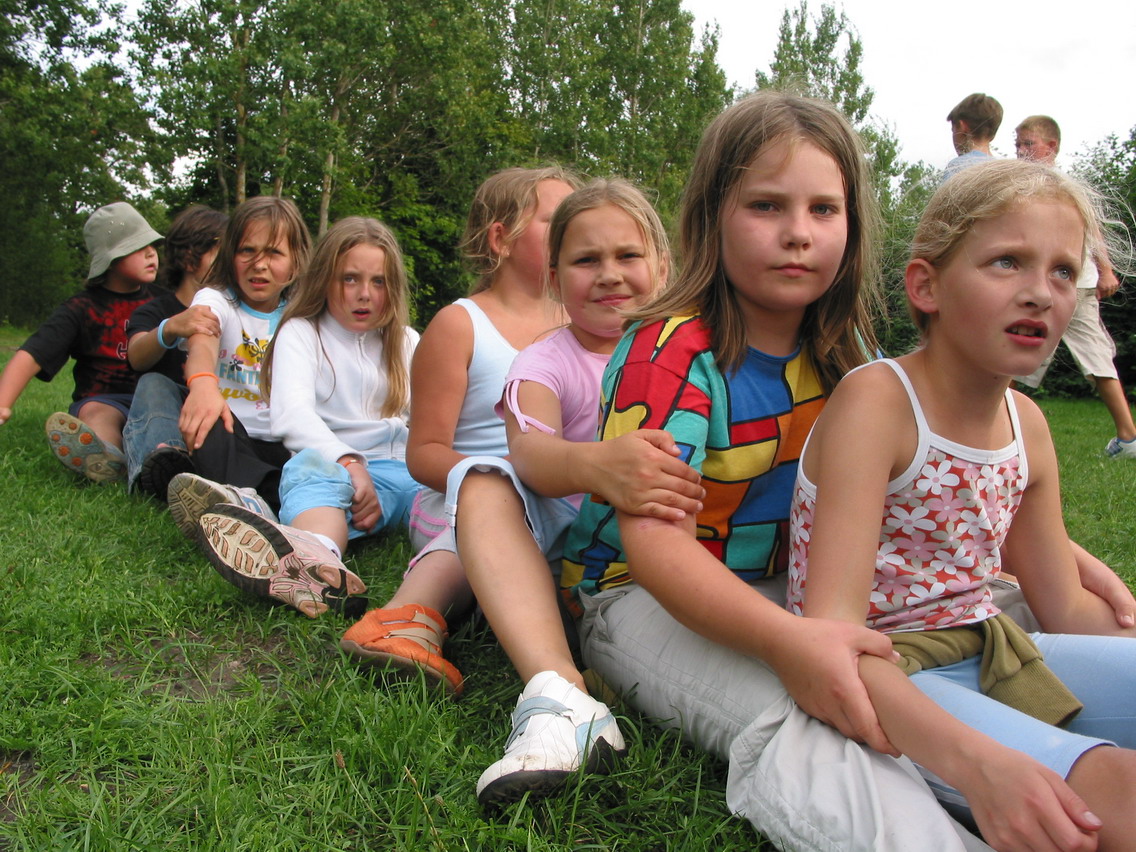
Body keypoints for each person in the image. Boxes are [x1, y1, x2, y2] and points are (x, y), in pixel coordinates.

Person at [560, 92, 994, 851]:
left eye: (824, 209)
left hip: (793, 586)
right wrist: (791, 645)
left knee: (942, 651)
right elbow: (656, 550)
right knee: (801, 714)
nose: (798, 233)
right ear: (712, 216)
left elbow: (915, 484)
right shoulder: (668, 349)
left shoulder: (849, 352)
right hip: (637, 597)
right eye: (766, 205)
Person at [787, 159, 1136, 851]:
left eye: (1063, 272)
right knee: (1115, 790)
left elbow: (1064, 607)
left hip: (997, 649)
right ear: (927, 286)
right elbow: (834, 642)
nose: (1040, 293)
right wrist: (978, 764)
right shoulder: (879, 403)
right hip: (896, 676)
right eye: (1007, 262)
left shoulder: (1027, 424)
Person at [449, 179, 704, 805]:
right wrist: (599, 466)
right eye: (586, 260)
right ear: (555, 279)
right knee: (482, 480)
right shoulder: (544, 360)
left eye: (628, 256)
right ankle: (559, 689)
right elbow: (531, 454)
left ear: (663, 265)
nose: (609, 274)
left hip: (679, 547)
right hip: (569, 553)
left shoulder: (698, 347)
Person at [338, 167, 578, 696]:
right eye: (557, 220)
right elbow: (423, 453)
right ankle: (405, 617)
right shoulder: (461, 324)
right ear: (501, 238)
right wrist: (504, 474)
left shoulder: (581, 325)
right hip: (459, 497)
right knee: (490, 505)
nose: (575, 231)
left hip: (559, 491)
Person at [193, 217, 421, 619]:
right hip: (335, 470)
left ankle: (263, 515)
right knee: (309, 472)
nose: (364, 294)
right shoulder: (301, 333)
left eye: (379, 282)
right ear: (324, 280)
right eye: (350, 279)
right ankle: (317, 563)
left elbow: (429, 420)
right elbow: (293, 415)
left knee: (458, 495)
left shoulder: (406, 341)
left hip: (405, 475)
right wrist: (349, 463)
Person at [165, 196, 312, 535]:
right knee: (206, 422)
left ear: (296, 262)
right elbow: (202, 338)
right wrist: (203, 384)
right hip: (234, 433)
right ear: (230, 255)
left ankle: (251, 499)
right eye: (247, 250)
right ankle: (258, 501)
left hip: (287, 441)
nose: (259, 264)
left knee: (314, 456)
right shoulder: (216, 298)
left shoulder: (305, 314)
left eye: (274, 253)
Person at [0, 201, 162, 483]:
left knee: (167, 422)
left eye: (152, 245)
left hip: (155, 399)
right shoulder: (81, 309)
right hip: (104, 399)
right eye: (137, 247)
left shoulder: (163, 301)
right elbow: (33, 354)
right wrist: (2, 404)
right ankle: (108, 458)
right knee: (97, 416)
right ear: (110, 259)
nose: (151, 253)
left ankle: (160, 459)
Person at [1012, 115, 1136, 460]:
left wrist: (1106, 269)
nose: (1020, 151)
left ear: (1051, 147)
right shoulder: (1022, 185)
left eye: (1028, 143)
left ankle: (1129, 438)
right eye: (1017, 144)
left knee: (1089, 356)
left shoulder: (1062, 187)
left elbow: (1092, 232)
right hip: (1052, 283)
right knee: (1017, 353)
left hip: (1072, 286)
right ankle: (995, 423)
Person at [122, 205, 227, 498]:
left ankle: (194, 474)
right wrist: (168, 329)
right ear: (189, 257)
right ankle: (164, 464)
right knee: (153, 383)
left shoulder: (233, 311)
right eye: (223, 254)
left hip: (218, 410)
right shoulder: (156, 310)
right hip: (169, 414)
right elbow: (136, 356)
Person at [942, 93, 1003, 184]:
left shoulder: (957, 167)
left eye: (953, 130)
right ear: (992, 135)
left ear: (962, 127)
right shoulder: (1003, 170)